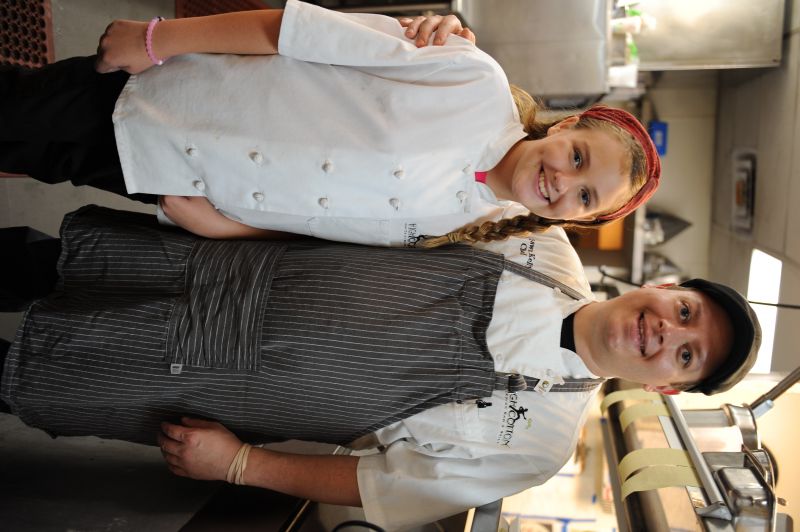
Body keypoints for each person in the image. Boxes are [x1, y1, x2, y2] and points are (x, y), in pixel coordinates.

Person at [0, 205, 760, 530]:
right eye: (685, 310)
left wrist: (240, 466)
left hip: (199, 375)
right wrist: (234, 218)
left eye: (684, 353)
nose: (664, 331)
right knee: (36, 259)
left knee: (25, 368)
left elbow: (383, 483)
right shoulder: (539, 240)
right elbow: (373, 206)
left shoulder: (541, 440)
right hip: (226, 263)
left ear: (667, 385)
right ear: (668, 285)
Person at [0, 1, 661, 247]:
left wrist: (228, 228)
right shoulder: (471, 75)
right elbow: (297, 32)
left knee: (38, 159)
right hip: (172, 95)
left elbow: (323, 228)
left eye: (585, 197)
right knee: (14, 106)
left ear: (577, 219)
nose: (563, 182)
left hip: (179, 181)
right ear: (565, 127)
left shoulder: (462, 226)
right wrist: (159, 39)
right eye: (579, 157)